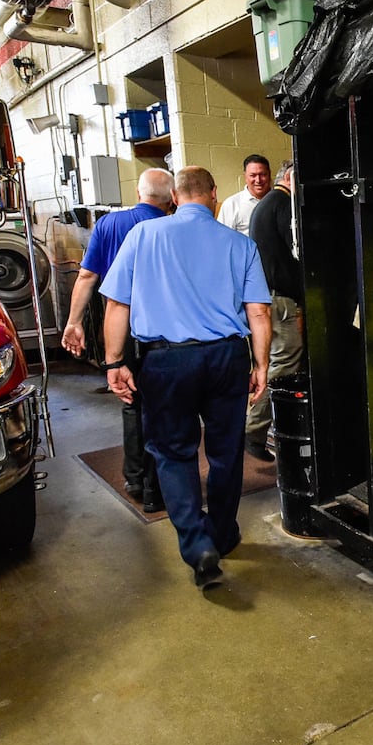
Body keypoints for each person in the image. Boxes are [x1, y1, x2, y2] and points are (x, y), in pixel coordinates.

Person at [100, 166, 272, 591]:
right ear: (214, 194)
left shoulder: (142, 236)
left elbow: (117, 305)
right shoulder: (241, 244)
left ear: (174, 197)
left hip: (166, 361)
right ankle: (223, 533)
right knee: (226, 450)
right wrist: (261, 365)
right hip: (225, 358)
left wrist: (113, 362)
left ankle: (197, 546)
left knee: (173, 453)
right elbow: (259, 313)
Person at [62, 168, 175, 512]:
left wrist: (74, 322)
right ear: (171, 197)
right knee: (161, 409)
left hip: (118, 330)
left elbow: (86, 275)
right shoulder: (168, 228)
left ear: (139, 193)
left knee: (130, 401)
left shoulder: (108, 225)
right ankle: (158, 489)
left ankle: (134, 477)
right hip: (158, 331)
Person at [244, 160, 306, 462]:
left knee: (273, 362)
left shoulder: (266, 204)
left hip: (267, 296)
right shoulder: (282, 204)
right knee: (284, 365)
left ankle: (258, 430)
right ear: (292, 178)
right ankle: (254, 432)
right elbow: (297, 251)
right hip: (280, 300)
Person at [215, 154, 272, 236]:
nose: (258, 180)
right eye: (253, 175)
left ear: (269, 174)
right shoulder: (232, 204)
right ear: (245, 176)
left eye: (262, 174)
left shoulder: (282, 201)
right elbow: (223, 238)